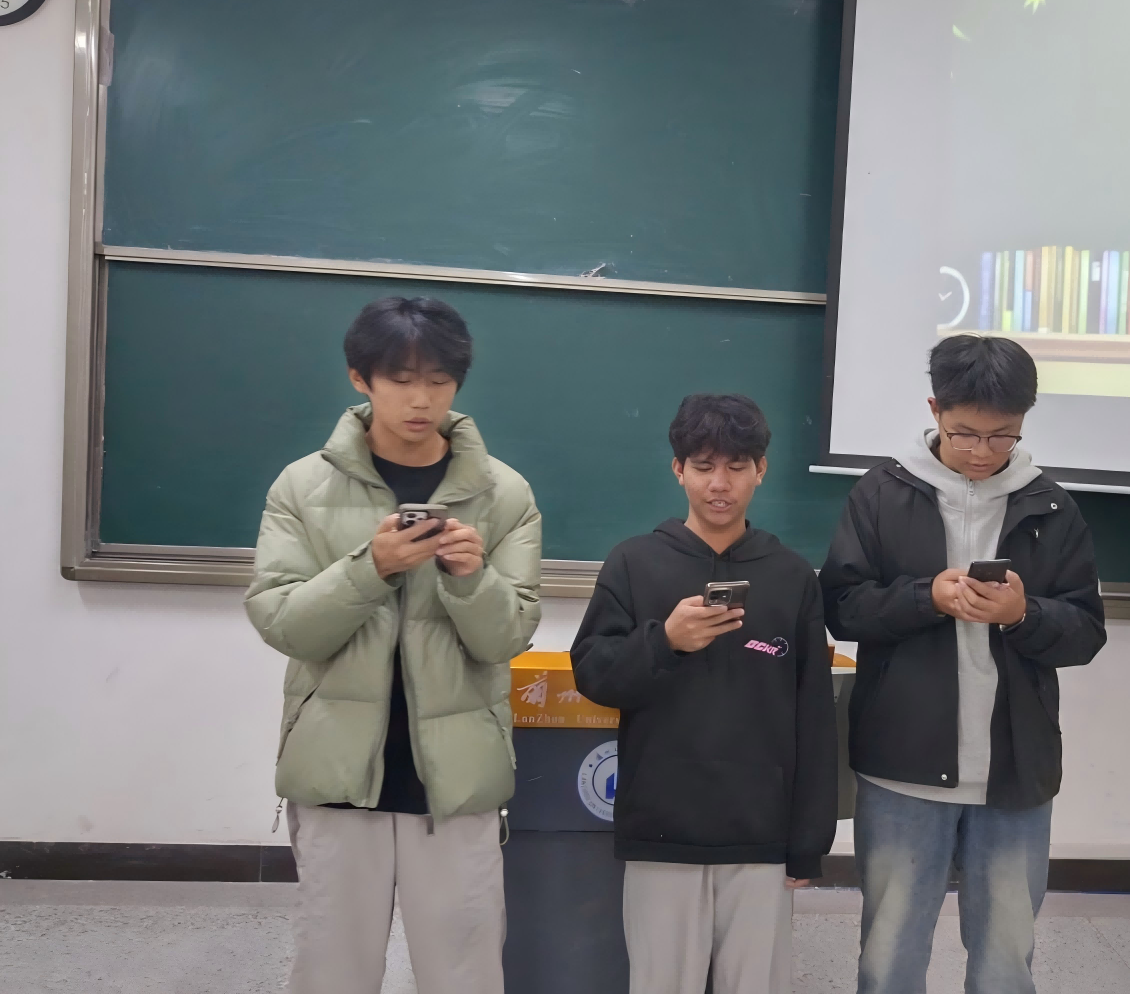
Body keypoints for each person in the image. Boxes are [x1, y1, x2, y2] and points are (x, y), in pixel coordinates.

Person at [245, 296, 541, 994]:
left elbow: (508, 636)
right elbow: (284, 624)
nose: (421, 399)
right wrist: (369, 568)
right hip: (338, 774)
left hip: (457, 780)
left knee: (465, 974)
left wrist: (471, 579)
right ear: (361, 378)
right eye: (401, 379)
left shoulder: (503, 494)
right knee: (333, 972)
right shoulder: (302, 487)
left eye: (439, 380)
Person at [820, 334, 1106, 994]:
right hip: (901, 767)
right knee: (889, 955)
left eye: (1001, 436)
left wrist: (1022, 614)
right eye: (965, 434)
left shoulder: (1051, 507)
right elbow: (842, 608)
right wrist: (927, 597)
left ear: (1023, 422)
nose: (982, 451)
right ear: (935, 411)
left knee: (1006, 961)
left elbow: (1086, 632)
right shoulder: (882, 494)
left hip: (1014, 772)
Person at [571, 393, 837, 994]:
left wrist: (807, 844)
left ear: (761, 470)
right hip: (661, 830)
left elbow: (814, 718)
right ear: (678, 469)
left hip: (761, 835)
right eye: (703, 466)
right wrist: (663, 640)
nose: (720, 484)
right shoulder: (633, 563)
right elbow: (593, 675)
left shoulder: (791, 577)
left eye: (737, 467)